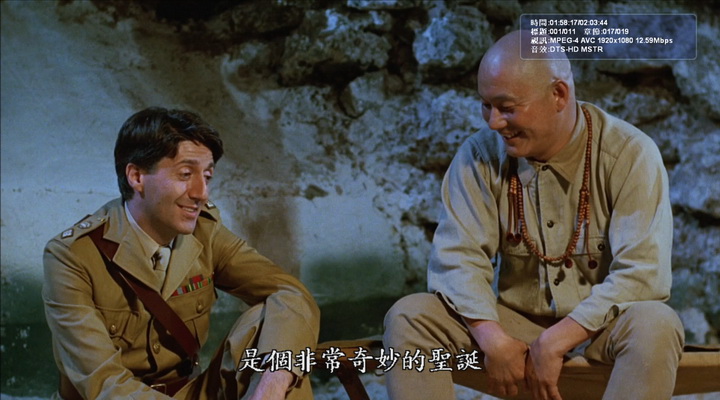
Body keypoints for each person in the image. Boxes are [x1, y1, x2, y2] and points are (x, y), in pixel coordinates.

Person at [384, 30, 684, 400]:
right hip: (512, 331)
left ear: (559, 95)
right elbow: (458, 260)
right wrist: (492, 339)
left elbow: (642, 273)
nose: (494, 122)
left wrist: (558, 340)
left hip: (599, 330)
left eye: (507, 108)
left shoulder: (629, 154)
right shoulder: (478, 156)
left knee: (656, 324)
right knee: (411, 316)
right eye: (486, 106)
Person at [43, 107, 320, 399]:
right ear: (137, 176)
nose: (202, 193)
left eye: (207, 176)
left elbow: (291, 294)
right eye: (186, 174)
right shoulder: (72, 256)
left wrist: (273, 382)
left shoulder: (206, 234)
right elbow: (104, 383)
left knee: (273, 327)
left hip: (188, 392)